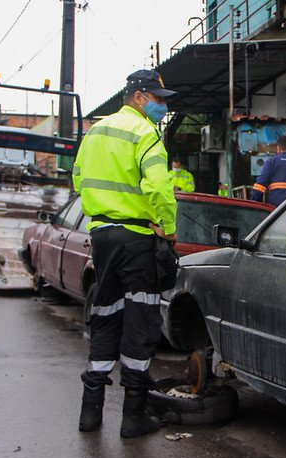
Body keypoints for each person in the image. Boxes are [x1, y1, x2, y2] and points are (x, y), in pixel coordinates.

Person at [72, 69, 178, 437]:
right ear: (138, 97)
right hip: (136, 237)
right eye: (158, 98)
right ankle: (133, 418)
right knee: (141, 317)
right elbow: (160, 185)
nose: (162, 106)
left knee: (106, 312)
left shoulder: (96, 131)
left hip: (102, 236)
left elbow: (77, 178)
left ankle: (90, 415)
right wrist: (169, 226)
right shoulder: (145, 133)